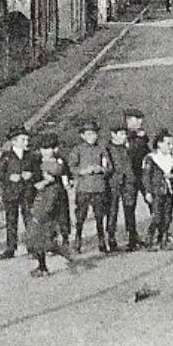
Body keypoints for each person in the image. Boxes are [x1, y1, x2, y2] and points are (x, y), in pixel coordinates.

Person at [25, 132, 72, 276]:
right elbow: (31, 179)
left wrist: (47, 181)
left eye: (49, 149)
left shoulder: (58, 163)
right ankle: (45, 261)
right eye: (43, 149)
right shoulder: (36, 162)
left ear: (55, 149)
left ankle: (48, 259)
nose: (46, 152)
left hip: (50, 200)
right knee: (40, 231)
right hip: (38, 199)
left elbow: (62, 178)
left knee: (41, 229)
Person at [66, 118, 111, 253]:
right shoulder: (77, 150)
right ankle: (78, 240)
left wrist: (101, 169)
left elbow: (109, 167)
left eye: (94, 133)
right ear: (82, 136)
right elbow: (71, 167)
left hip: (99, 187)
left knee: (99, 216)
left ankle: (102, 241)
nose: (92, 137)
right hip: (84, 188)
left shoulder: (101, 148)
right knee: (81, 216)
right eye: (89, 134)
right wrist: (82, 171)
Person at [0, 127, 36, 260]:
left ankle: (32, 247)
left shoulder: (31, 156)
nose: (26, 142)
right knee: (11, 221)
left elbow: (39, 172)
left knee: (29, 219)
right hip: (11, 193)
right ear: (14, 141)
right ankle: (10, 248)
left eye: (27, 139)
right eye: (23, 139)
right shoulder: (6, 157)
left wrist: (31, 175)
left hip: (27, 192)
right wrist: (9, 177)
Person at [104, 122, 141, 252]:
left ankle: (132, 238)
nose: (124, 136)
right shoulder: (107, 149)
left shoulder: (129, 146)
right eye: (121, 134)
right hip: (113, 183)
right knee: (112, 211)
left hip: (129, 182)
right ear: (113, 134)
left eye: (125, 133)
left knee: (129, 210)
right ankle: (111, 239)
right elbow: (107, 167)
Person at [142, 131, 173, 250]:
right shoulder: (151, 158)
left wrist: (172, 176)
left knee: (167, 217)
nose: (171, 146)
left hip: (169, 191)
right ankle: (149, 240)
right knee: (157, 217)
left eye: (171, 144)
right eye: (168, 144)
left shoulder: (170, 158)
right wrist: (148, 192)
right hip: (157, 192)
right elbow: (146, 177)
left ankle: (163, 241)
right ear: (159, 144)